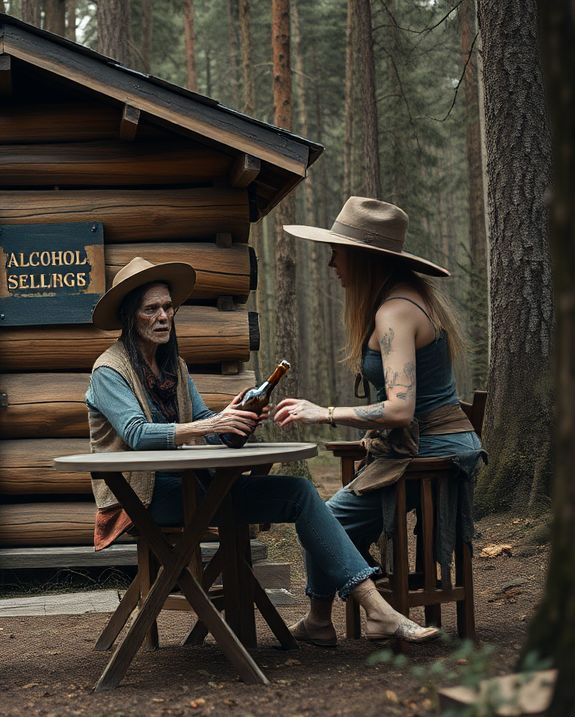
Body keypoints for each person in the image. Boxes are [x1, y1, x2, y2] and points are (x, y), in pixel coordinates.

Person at [85, 256, 440, 645]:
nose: (163, 316)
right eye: (151, 309)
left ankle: (372, 610)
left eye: (168, 307)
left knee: (299, 493)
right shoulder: (109, 371)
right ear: (130, 316)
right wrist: (211, 423)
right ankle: (380, 612)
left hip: (199, 489)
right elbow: (137, 434)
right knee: (271, 488)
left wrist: (238, 420)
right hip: (142, 499)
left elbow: (214, 433)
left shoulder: (176, 367)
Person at [275, 196, 485, 646]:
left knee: (324, 516)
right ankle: (322, 621)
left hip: (432, 448)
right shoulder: (408, 299)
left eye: (337, 250)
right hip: (443, 443)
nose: (331, 261)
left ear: (363, 256)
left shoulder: (394, 312)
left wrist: (324, 413)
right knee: (335, 517)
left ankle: (320, 620)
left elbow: (399, 410)